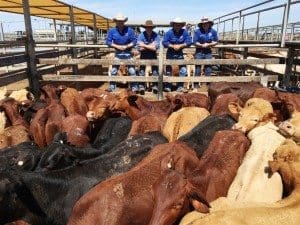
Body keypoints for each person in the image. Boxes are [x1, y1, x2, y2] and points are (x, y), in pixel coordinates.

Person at [105, 13, 137, 92]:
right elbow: (108, 42)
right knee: (113, 71)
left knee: (132, 70)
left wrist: (127, 46)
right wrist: (117, 46)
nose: (120, 22)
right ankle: (112, 87)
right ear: (116, 22)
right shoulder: (112, 31)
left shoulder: (130, 30)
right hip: (118, 53)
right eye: (118, 21)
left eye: (121, 21)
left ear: (124, 21)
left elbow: (134, 41)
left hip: (128, 52)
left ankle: (134, 87)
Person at [162, 17, 192, 92]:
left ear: (181, 25)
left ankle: (180, 86)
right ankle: (168, 86)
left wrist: (180, 46)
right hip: (170, 52)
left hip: (179, 53)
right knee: (169, 70)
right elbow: (164, 42)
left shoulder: (184, 32)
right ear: (173, 25)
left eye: (179, 25)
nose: (178, 26)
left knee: (183, 70)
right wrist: (173, 46)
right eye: (176, 24)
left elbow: (189, 42)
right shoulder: (169, 32)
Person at [193, 17, 218, 89]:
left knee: (208, 68)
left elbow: (216, 41)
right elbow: (195, 42)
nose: (205, 24)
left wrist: (209, 45)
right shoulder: (197, 31)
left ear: (209, 24)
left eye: (206, 23)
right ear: (201, 24)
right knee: (198, 68)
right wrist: (201, 45)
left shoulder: (213, 31)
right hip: (199, 51)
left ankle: (208, 84)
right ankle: (196, 84)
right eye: (203, 23)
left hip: (208, 51)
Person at [137, 20, 160, 94]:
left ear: (152, 28)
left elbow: (155, 48)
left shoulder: (156, 35)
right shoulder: (141, 35)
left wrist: (144, 45)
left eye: (150, 27)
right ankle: (141, 87)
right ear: (145, 27)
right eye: (147, 27)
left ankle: (155, 86)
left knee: (155, 71)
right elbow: (139, 48)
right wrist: (151, 45)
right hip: (144, 54)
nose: (149, 28)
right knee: (141, 71)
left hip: (152, 54)